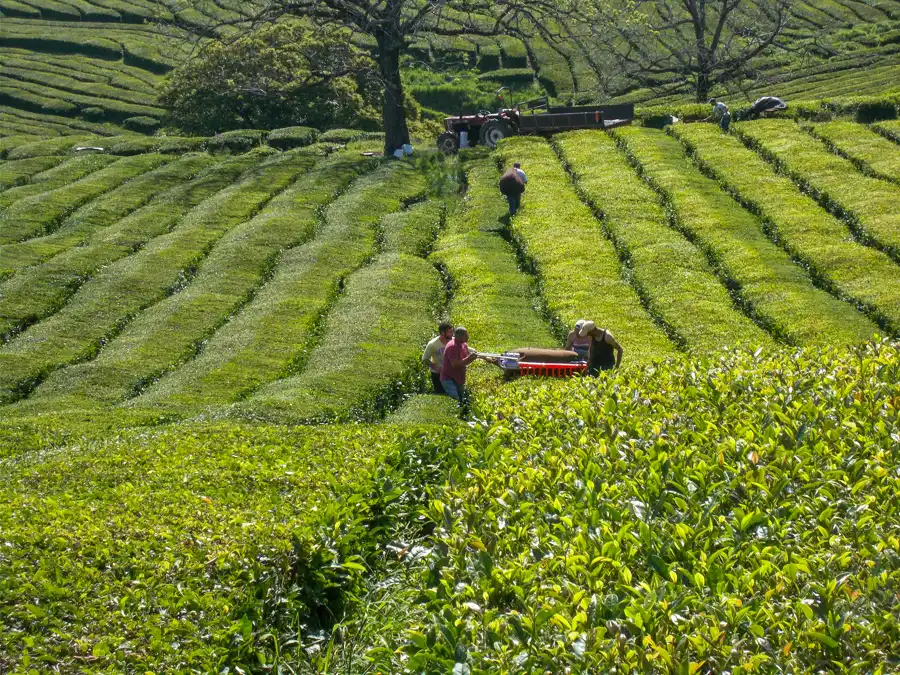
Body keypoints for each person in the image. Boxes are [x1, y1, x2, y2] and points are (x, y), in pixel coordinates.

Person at [440, 326, 480, 402]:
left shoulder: (464, 345)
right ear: (460, 336)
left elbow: (464, 362)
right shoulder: (452, 347)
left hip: (459, 378)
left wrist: (472, 358)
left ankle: (462, 412)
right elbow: (455, 364)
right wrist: (469, 358)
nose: (468, 337)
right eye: (466, 335)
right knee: (455, 400)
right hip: (448, 378)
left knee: (461, 399)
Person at [422, 322, 454, 394]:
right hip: (438, 374)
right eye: (450, 332)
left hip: (452, 373)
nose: (452, 334)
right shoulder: (432, 344)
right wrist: (436, 368)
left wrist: (475, 352)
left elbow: (465, 348)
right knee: (441, 395)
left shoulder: (453, 341)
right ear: (442, 333)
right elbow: (425, 359)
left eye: (452, 331)